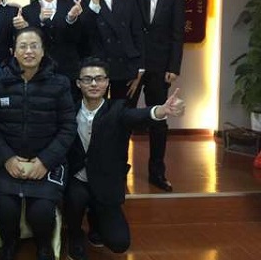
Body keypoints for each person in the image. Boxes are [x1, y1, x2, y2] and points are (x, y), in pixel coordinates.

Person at [65, 57, 185, 260]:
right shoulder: (69, 110)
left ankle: (96, 223)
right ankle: (75, 234)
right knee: (75, 199)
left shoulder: (118, 110)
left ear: (107, 82)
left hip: (106, 182)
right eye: (87, 79)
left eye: (99, 78)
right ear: (78, 83)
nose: (93, 84)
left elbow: (138, 116)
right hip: (78, 178)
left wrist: (161, 111)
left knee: (119, 243)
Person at [0, 27, 77, 260]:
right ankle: (9, 242)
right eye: (23, 46)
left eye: (34, 46)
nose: (29, 51)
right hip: (7, 163)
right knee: (5, 210)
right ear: (13, 52)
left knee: (41, 212)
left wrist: (45, 161)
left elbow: (68, 127)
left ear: (43, 51)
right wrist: (7, 159)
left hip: (46, 163)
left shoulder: (60, 83)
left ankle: (44, 245)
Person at [116, 0, 185, 192]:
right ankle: (119, 170)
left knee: (158, 119)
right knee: (124, 117)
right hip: (131, 65)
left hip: (159, 66)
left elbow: (177, 32)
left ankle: (157, 171)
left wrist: (174, 66)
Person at [83, 0, 144, 100]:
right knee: (98, 110)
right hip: (97, 67)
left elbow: (137, 32)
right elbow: (85, 30)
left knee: (124, 110)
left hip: (126, 65)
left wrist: (140, 68)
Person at [23, 0, 85, 102]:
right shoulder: (27, 11)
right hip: (39, 72)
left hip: (68, 71)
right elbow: (28, 42)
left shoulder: (71, 5)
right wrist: (40, 21)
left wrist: (71, 19)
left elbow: (79, 39)